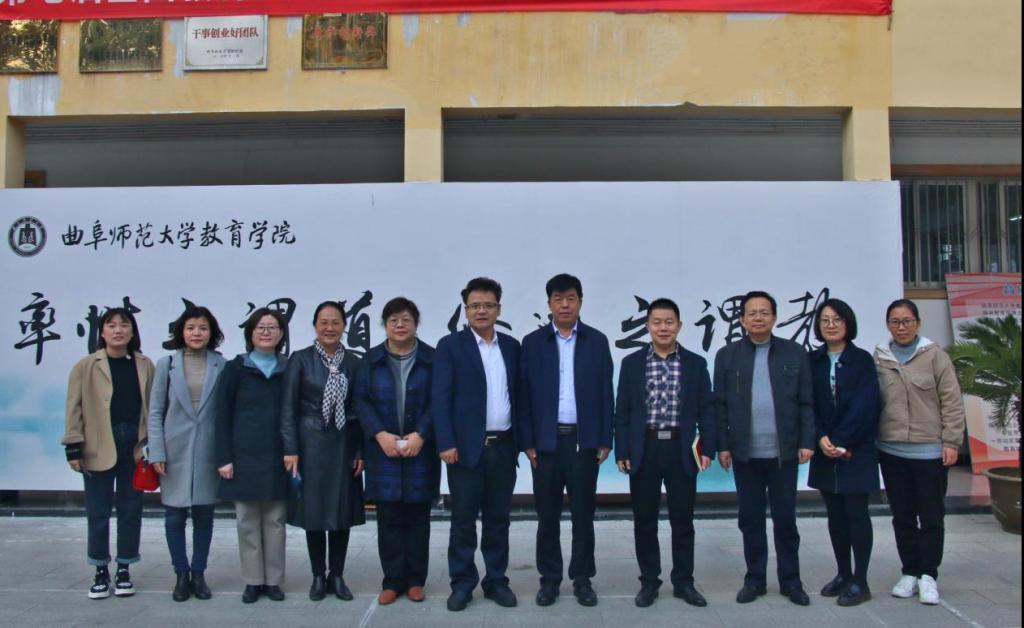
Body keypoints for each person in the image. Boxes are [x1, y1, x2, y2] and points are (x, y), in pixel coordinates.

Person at [714, 290, 815, 606]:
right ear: (742, 319)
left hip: (783, 453)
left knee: (785, 520)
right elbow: (720, 406)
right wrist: (723, 446)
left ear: (774, 317)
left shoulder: (794, 353)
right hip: (745, 453)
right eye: (752, 313)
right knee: (751, 520)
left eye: (764, 312)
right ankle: (754, 580)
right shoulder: (727, 356)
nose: (758, 318)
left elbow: (806, 401)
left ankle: (791, 581)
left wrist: (807, 441)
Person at [614, 298, 716, 608]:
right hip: (644, 448)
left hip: (680, 449)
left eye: (669, 322)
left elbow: (706, 409)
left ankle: (684, 582)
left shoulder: (696, 364)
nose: (663, 328)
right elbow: (623, 411)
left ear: (679, 326)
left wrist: (708, 448)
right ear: (647, 326)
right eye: (657, 322)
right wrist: (622, 450)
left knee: (682, 520)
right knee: (644, 519)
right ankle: (649, 581)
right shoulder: (631, 363)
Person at [518, 273, 613, 607]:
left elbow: (605, 393)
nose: (564, 305)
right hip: (546, 443)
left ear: (580, 302)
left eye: (570, 298)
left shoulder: (596, 341)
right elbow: (524, 395)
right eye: (558, 299)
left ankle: (582, 578)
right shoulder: (532, 343)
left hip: (583, 442)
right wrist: (527, 440)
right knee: (547, 516)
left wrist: (605, 438)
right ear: (549, 304)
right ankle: (549, 579)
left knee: (583, 514)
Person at [433, 277, 521, 612]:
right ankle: (462, 583)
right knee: (463, 521)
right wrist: (446, 442)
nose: (481, 311)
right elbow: (440, 398)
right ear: (466, 310)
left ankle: (496, 580)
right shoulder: (450, 346)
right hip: (464, 450)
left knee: (499, 520)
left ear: (499, 308)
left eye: (488, 305)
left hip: (503, 447)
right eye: (475, 306)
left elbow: (520, 396)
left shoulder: (511, 346)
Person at [874, 299, 965, 606]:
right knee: (901, 516)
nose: (901, 327)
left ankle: (929, 574)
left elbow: (952, 401)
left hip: (930, 452)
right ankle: (909, 571)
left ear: (918, 323)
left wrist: (951, 442)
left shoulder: (935, 356)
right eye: (895, 322)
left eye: (907, 321)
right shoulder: (880, 357)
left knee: (931, 515)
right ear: (888, 325)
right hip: (891, 450)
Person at [63, 307, 155, 600]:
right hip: (98, 445)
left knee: (131, 510)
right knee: (98, 512)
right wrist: (73, 446)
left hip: (134, 448)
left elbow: (154, 408)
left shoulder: (145, 365)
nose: (118, 330)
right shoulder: (86, 366)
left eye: (124, 325)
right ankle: (100, 570)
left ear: (132, 331)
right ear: (102, 332)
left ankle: (124, 568)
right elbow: (74, 408)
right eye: (111, 325)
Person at [354, 297, 439, 605]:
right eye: (393, 320)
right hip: (383, 450)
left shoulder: (432, 358)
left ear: (416, 324)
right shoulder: (371, 359)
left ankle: (416, 581)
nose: (400, 325)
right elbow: (361, 400)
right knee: (388, 518)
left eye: (406, 319)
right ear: (385, 325)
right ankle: (392, 581)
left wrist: (422, 434)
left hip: (421, 449)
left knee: (418, 518)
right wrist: (379, 434)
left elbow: (439, 400)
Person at [281, 301, 365, 602]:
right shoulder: (300, 359)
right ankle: (318, 575)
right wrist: (291, 449)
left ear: (344, 326)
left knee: (341, 511)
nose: (329, 328)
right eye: (324, 322)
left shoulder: (354, 362)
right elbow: (288, 408)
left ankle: (337, 575)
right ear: (315, 325)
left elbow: (360, 409)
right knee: (313, 512)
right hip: (309, 444)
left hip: (344, 444)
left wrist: (360, 450)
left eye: (335, 322)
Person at [148, 305, 227, 602]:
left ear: (212, 333)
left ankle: (199, 573)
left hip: (208, 449)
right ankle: (180, 574)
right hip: (174, 450)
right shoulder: (166, 364)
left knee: (205, 515)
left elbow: (225, 413)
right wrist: (157, 451)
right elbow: (156, 411)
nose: (197, 333)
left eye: (203, 328)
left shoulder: (221, 364)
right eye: (191, 327)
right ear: (181, 332)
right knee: (174, 516)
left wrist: (225, 454)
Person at [807, 299, 881, 607]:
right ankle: (842, 573)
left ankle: (860, 581)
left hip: (856, 450)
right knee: (835, 516)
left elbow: (867, 406)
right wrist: (820, 437)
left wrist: (840, 440)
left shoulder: (861, 360)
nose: (831, 325)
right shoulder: (813, 360)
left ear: (848, 323)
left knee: (856, 514)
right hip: (825, 450)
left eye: (837, 319)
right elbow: (807, 404)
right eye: (825, 320)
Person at [215, 307, 290, 604]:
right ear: (250, 333)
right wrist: (223, 457)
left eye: (272, 327)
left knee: (275, 520)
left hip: (279, 456)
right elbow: (221, 415)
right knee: (247, 520)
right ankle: (253, 580)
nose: (266, 332)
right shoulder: (236, 368)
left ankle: (273, 580)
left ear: (281, 333)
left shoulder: (288, 368)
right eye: (260, 327)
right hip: (243, 456)